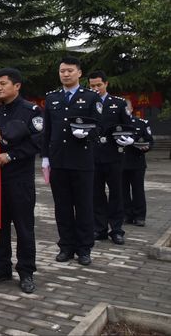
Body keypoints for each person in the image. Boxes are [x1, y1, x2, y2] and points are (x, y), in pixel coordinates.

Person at [0, 68, 42, 294]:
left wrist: (11, 155)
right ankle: (1, 268)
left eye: (3, 83)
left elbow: (38, 141)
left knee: (24, 228)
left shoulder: (30, 111)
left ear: (17, 86)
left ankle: (26, 271)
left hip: (20, 179)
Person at [42, 56, 103, 266]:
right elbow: (47, 131)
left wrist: (86, 134)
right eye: (62, 71)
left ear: (79, 73)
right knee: (62, 207)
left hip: (82, 161)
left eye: (70, 71)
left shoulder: (91, 97)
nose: (66, 74)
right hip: (58, 160)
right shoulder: (52, 98)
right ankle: (66, 246)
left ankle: (84, 248)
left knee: (84, 206)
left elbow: (100, 127)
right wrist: (45, 157)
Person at [87, 70, 132, 245]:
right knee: (96, 194)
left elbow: (128, 126)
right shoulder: (87, 103)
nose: (96, 88)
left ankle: (117, 230)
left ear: (106, 84)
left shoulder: (118, 103)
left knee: (116, 193)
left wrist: (129, 139)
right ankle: (100, 228)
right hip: (93, 155)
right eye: (92, 86)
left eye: (99, 85)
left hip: (114, 155)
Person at [123, 100, 153, 227]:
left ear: (131, 109)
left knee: (138, 190)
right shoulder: (116, 124)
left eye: (127, 108)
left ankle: (140, 216)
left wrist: (142, 145)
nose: (125, 111)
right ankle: (126, 215)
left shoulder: (141, 123)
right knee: (122, 191)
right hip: (120, 162)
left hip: (137, 162)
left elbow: (149, 141)